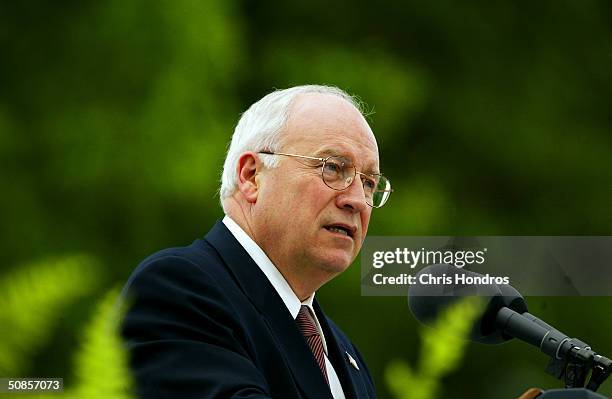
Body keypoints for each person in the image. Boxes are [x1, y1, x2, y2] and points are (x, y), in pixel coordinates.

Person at [120, 85, 392, 399]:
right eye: (333, 168)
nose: (357, 200)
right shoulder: (179, 291)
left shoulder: (345, 353)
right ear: (251, 176)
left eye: (369, 182)